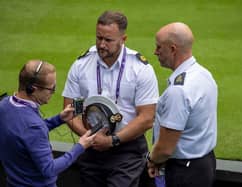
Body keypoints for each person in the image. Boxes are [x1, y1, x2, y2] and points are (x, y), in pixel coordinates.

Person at [62, 10, 159, 187]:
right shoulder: (81, 65)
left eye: (108, 40)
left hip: (126, 149)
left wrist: (112, 140)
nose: (102, 45)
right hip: (90, 147)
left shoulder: (140, 69)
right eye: (99, 38)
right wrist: (88, 137)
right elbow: (72, 109)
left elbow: (146, 118)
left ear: (123, 39)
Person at [0, 60, 95, 187]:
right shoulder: (33, 126)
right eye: (51, 89)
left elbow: (24, 134)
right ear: (32, 89)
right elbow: (49, 169)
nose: (53, 92)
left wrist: (59, 119)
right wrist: (80, 146)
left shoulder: (4, 104)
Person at [147, 22, 218, 187]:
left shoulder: (178, 91)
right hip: (204, 164)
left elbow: (165, 148)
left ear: (173, 49)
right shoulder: (204, 74)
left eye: (159, 47)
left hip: (183, 172)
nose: (155, 52)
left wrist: (151, 159)